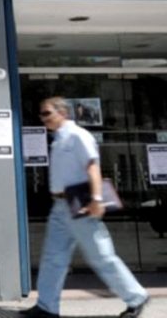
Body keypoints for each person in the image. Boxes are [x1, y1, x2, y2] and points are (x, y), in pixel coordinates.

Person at [20, 97, 150, 318]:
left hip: (80, 205)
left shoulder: (78, 136)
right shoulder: (58, 139)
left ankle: (136, 297)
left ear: (63, 113)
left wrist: (96, 199)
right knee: (53, 257)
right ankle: (46, 307)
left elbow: (93, 167)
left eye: (47, 113)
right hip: (60, 205)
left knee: (101, 255)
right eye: (41, 114)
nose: (42, 118)